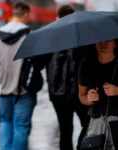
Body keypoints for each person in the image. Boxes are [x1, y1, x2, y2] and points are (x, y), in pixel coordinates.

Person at [0, 1, 43, 150]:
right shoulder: (30, 35)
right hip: (24, 89)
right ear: (25, 14)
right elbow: (38, 62)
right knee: (21, 127)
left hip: (2, 89)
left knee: (5, 121)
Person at [45, 5, 90, 150]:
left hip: (57, 93)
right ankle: (80, 146)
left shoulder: (48, 37)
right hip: (80, 91)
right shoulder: (82, 36)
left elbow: (38, 62)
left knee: (65, 130)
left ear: (57, 18)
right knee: (88, 124)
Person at [79, 39, 118, 149]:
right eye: (100, 41)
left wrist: (117, 91)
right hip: (96, 122)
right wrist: (88, 98)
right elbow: (81, 96)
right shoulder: (86, 65)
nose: (103, 44)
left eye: (108, 41)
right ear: (95, 43)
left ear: (115, 43)